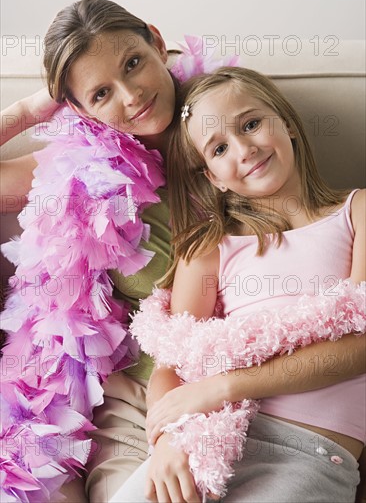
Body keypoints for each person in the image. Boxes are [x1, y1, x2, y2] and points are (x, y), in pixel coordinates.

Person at [0, 1, 365, 502]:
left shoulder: (230, 114)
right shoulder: (80, 171)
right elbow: (172, 357)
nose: (132, 96)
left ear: (156, 40)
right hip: (148, 397)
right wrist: (28, 111)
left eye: (132, 62)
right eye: (102, 92)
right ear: (81, 108)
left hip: (253, 405)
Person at [114, 67, 365, 503]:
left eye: (250, 124)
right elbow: (171, 364)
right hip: (204, 439)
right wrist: (168, 439)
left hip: (308, 451)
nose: (245, 149)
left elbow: (361, 344)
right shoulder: (210, 246)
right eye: (220, 147)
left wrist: (224, 386)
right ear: (213, 176)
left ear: (285, 120)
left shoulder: (356, 211)